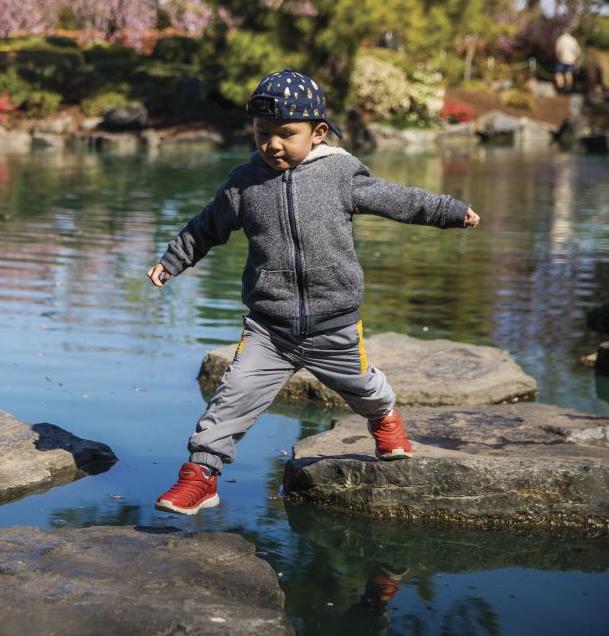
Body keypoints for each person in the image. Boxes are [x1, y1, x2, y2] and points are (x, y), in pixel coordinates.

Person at [148, 69, 481, 516]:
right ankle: (200, 477)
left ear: (318, 132)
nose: (273, 144)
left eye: (287, 134)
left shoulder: (339, 174)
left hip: (333, 325)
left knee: (363, 388)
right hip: (269, 328)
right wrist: (172, 261)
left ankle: (385, 419)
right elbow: (206, 227)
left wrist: (451, 211)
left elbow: (397, 199)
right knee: (231, 398)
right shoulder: (244, 183)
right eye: (263, 133)